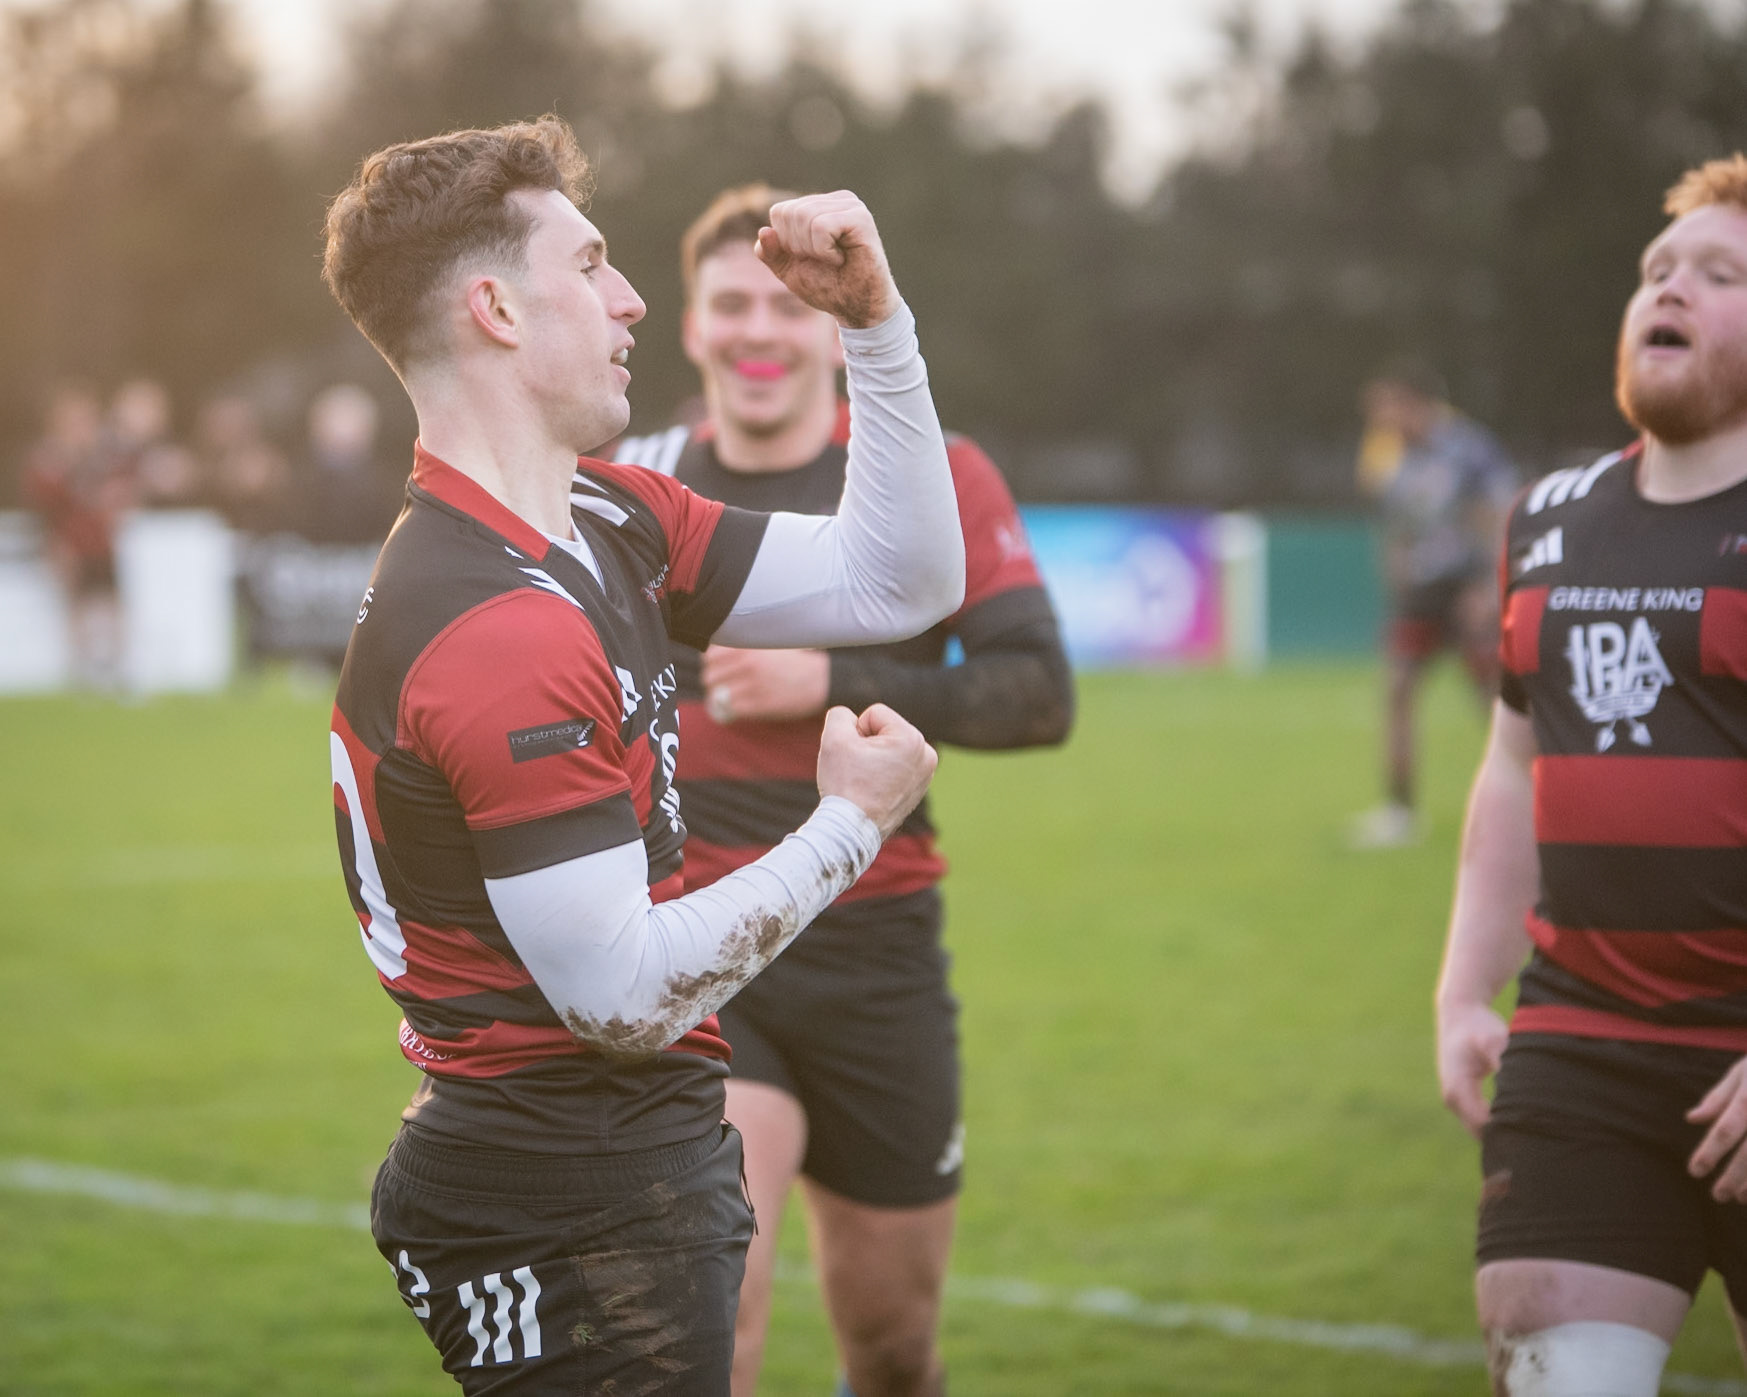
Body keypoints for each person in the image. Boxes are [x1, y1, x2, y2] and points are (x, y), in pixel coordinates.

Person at [320, 117, 965, 1394]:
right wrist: (848, 823)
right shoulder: (496, 623)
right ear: (497, 307)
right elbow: (623, 995)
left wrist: (875, 328)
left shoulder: (604, 512)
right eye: (594, 263)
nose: (629, 303)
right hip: (564, 1183)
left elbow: (899, 582)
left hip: (616, 1147)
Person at [612, 184, 1074, 1397]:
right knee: (727, 1308)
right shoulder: (625, 483)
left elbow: (1040, 694)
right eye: (729, 303)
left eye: (785, 300)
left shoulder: (929, 471)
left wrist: (836, 674)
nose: (758, 329)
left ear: (829, 318)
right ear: (693, 328)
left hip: (877, 949)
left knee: (890, 1341)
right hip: (706, 944)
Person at [1435, 152, 1747, 1396]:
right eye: (1656, 269)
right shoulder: (1548, 515)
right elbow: (1513, 762)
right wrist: (1467, 984)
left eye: (1720, 272)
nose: (1669, 286)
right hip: (1581, 1042)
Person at [1349, 362, 1517, 848]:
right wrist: (1394, 568)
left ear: (1413, 402)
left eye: (1386, 405)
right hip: (1420, 593)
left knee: (1494, 704)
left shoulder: (1468, 449)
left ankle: (1518, 806)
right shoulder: (1389, 456)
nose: (1380, 417)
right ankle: (1398, 811)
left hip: (1467, 589)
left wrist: (1490, 588)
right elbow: (1393, 522)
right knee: (1397, 689)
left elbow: (1499, 516)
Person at [21, 380, 134, 690]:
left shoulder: (103, 455)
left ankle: (118, 671)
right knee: (77, 608)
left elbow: (121, 490)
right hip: (69, 544)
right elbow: (45, 499)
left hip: (102, 542)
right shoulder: (50, 457)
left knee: (113, 604)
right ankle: (81, 674)